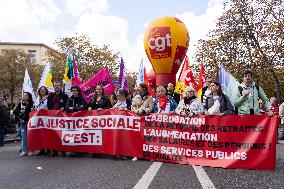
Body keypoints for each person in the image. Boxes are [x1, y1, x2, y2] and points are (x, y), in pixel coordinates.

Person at [46, 80, 68, 157]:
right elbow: (49, 106)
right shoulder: (50, 96)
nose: (57, 87)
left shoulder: (65, 96)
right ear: (53, 87)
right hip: (53, 118)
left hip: (62, 117)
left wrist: (64, 108)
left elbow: (67, 105)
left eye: (58, 85)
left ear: (60, 86)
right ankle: (54, 150)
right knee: (53, 134)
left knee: (62, 134)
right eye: (55, 85)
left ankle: (63, 150)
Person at [30, 86, 49, 156]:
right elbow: (35, 106)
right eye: (41, 90)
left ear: (46, 91)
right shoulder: (38, 98)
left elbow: (49, 106)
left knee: (46, 134)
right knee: (40, 134)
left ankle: (48, 149)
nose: (42, 91)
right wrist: (33, 109)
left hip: (46, 118)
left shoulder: (48, 97)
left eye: (44, 90)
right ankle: (42, 149)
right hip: (38, 119)